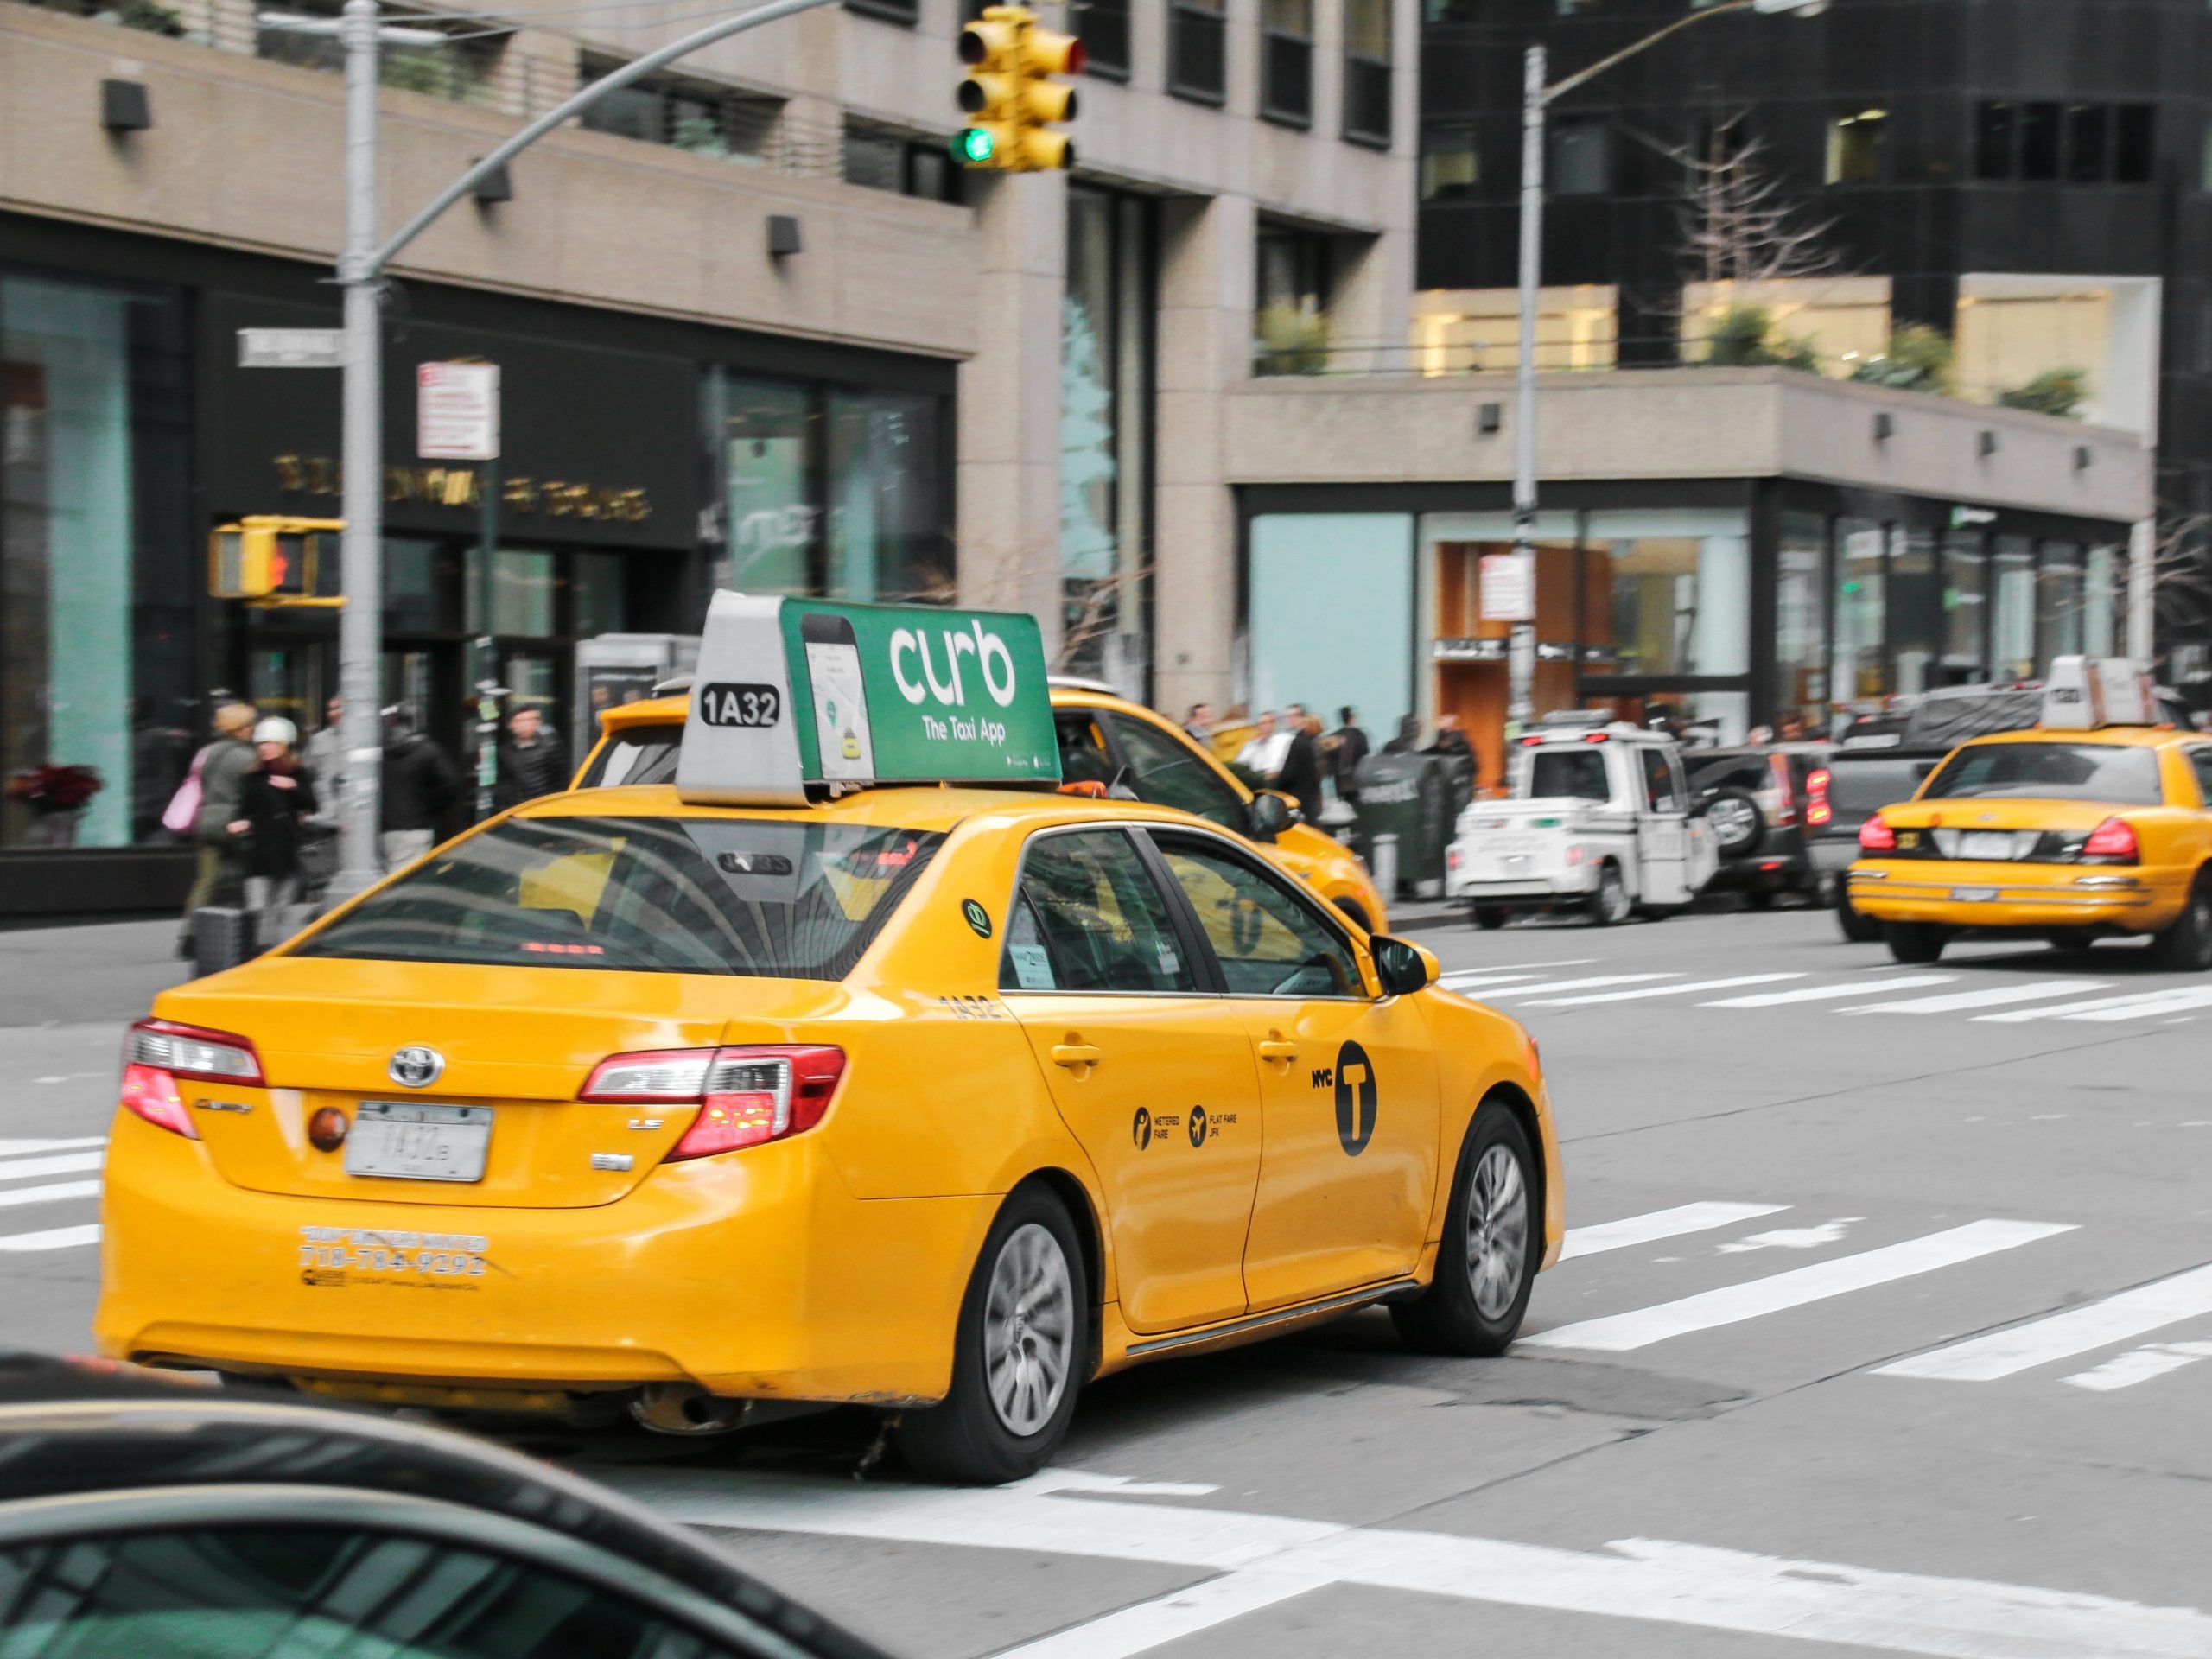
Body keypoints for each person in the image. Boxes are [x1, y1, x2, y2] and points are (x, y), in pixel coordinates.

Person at [177, 702, 258, 958]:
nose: (253, 730)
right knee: (254, 876)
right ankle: (250, 934)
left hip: (207, 821)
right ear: (240, 728)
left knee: (205, 880)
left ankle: (188, 938)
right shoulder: (248, 757)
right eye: (250, 725)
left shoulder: (206, 753)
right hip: (235, 823)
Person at [229, 718, 319, 944]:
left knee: (279, 910)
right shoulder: (253, 777)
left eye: (270, 743)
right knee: (257, 909)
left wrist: (293, 788)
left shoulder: (298, 773)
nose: (264, 748)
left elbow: (311, 804)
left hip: (287, 850)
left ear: (284, 745)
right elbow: (243, 809)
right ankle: (257, 951)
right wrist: (239, 823)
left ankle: (269, 950)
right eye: (261, 744)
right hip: (259, 851)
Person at [380, 705, 461, 872]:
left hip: (386, 830)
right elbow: (451, 784)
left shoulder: (382, 754)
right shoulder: (428, 751)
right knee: (407, 880)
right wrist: (429, 808)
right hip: (416, 827)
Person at [493, 702, 568, 811]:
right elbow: (504, 785)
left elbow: (561, 780)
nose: (525, 725)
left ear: (538, 723)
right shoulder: (504, 752)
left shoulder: (551, 747)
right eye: (519, 721)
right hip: (517, 809)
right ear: (511, 725)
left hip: (545, 808)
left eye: (530, 720)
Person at [1274, 710, 1325, 825]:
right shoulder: (1319, 745)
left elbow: (1289, 772)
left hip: (1296, 795)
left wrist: (1278, 784)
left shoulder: (1299, 743)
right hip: (1313, 796)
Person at [302, 697, 345, 819]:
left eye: (338, 708)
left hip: (355, 817)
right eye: (331, 709)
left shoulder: (366, 741)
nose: (333, 713)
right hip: (324, 813)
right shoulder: (318, 740)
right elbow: (307, 773)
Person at [1234, 711, 1281, 778]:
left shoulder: (1282, 741)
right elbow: (1239, 764)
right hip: (1256, 779)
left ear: (1275, 724)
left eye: (1271, 722)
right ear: (1258, 726)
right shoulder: (1251, 745)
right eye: (1263, 723)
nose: (1267, 726)